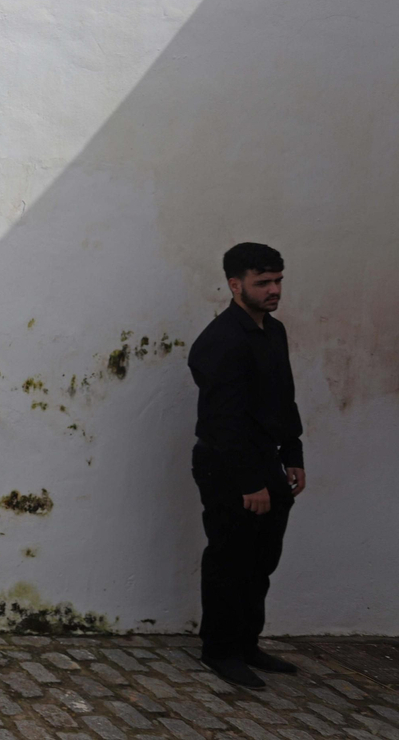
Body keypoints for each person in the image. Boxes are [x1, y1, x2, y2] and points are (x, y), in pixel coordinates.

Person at [187, 242, 306, 688]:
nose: (274, 290)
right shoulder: (220, 341)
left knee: (262, 561)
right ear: (235, 285)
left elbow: (283, 399)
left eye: (278, 280)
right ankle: (219, 651)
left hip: (265, 464)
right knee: (229, 559)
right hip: (227, 466)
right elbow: (223, 422)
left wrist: (292, 455)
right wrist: (250, 481)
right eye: (263, 283)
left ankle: (246, 643)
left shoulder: (273, 332)